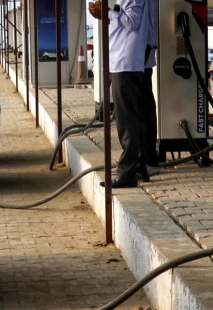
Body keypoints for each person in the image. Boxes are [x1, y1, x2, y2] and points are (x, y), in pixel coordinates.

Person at [89, 0, 149, 188]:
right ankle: (138, 165)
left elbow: (132, 21)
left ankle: (127, 172)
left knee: (127, 120)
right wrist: (104, 14)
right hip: (122, 61)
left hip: (125, 61)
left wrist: (106, 12)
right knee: (134, 117)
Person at [140, 0, 159, 179]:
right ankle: (147, 157)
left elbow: (133, 21)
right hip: (143, 48)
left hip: (142, 49)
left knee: (142, 107)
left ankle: (146, 159)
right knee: (144, 105)